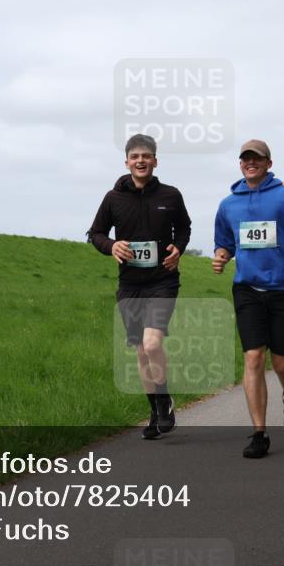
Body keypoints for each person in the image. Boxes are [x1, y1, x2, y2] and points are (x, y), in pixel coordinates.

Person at [212, 139, 284, 459]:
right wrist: (221, 257)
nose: (250, 163)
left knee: (281, 362)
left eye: (257, 158)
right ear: (240, 164)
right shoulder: (228, 204)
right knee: (253, 357)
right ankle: (259, 433)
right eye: (245, 158)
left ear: (268, 162)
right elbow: (225, 243)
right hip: (247, 288)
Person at [89, 134, 191, 440]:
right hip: (130, 283)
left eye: (146, 156)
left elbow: (184, 228)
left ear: (155, 161)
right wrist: (111, 246)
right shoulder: (113, 198)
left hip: (163, 280)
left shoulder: (171, 195)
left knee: (151, 343)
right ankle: (155, 409)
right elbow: (95, 233)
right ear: (127, 162)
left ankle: (164, 399)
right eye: (135, 157)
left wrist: (179, 248)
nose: (141, 161)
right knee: (140, 352)